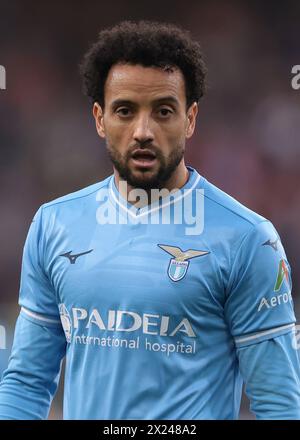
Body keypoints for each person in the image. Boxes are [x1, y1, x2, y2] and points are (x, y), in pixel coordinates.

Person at [0, 20, 299, 420]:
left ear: (190, 119)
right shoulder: (54, 224)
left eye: (163, 111)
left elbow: (278, 403)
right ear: (99, 118)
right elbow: (26, 383)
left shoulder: (249, 239)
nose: (143, 131)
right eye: (125, 111)